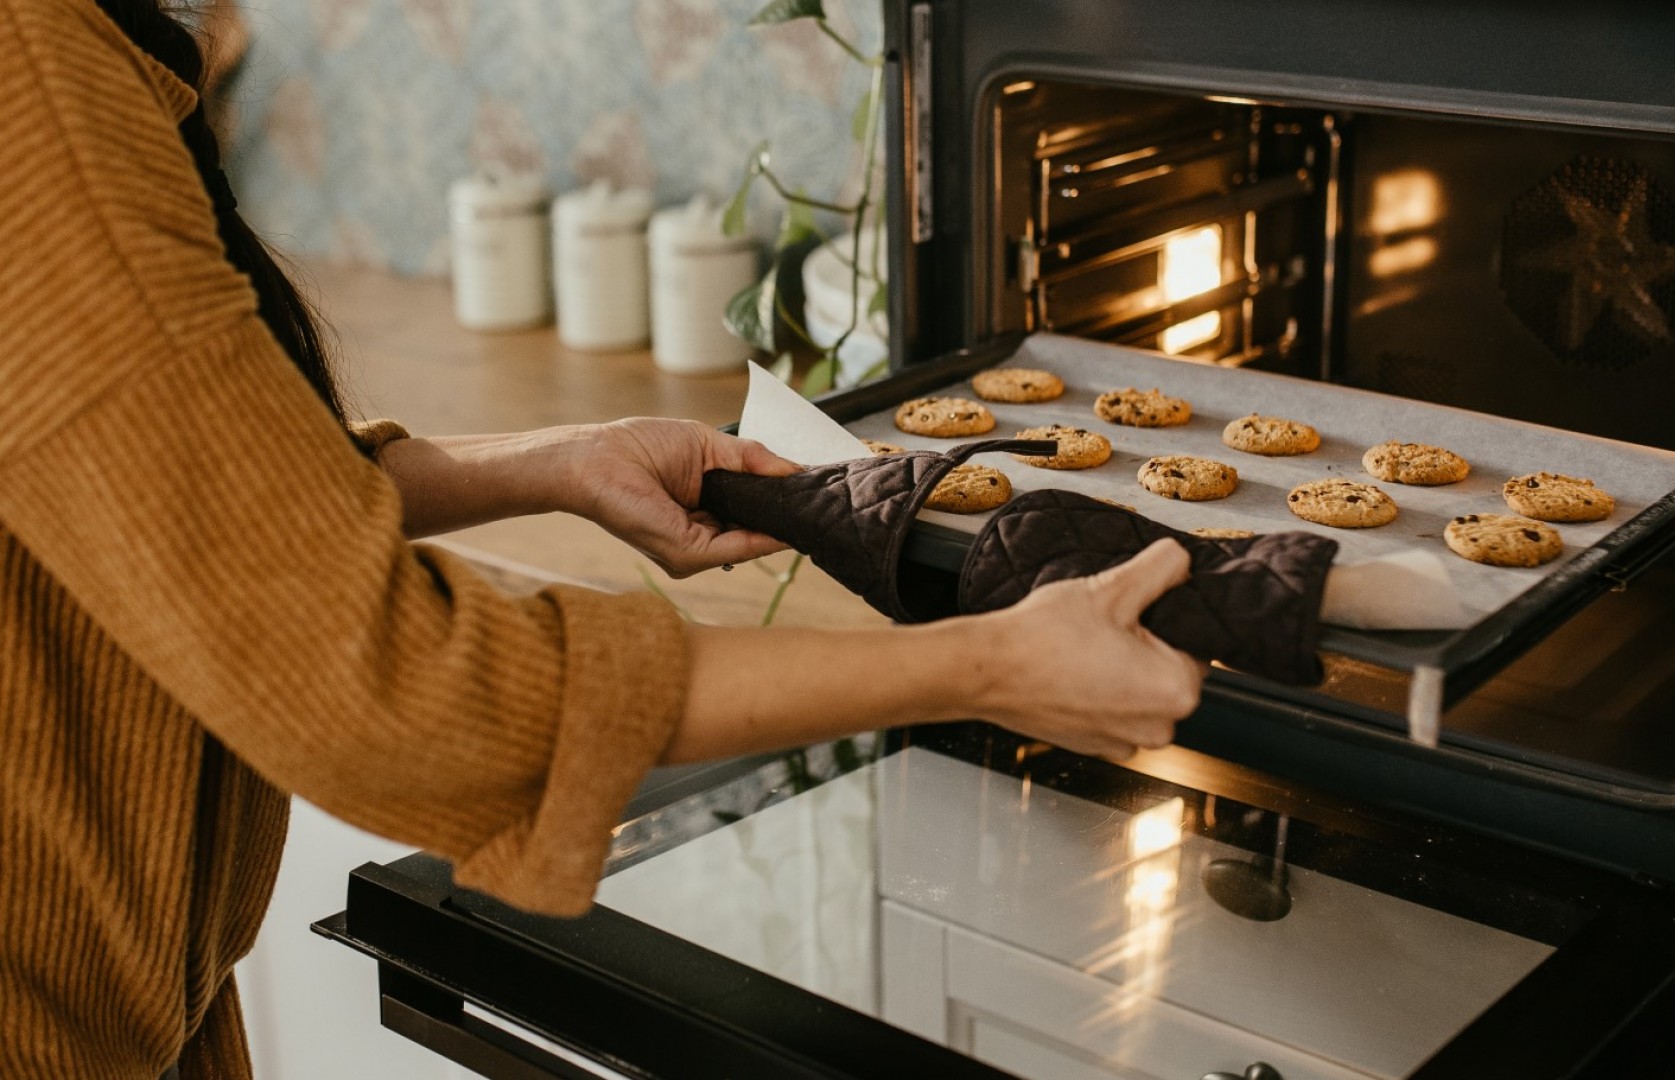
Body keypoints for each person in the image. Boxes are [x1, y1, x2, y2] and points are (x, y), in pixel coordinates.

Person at [0, 1, 1207, 1077]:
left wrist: (560, 463)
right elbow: (397, 689)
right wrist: (991, 666)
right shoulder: (29, 75)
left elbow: (183, 494)